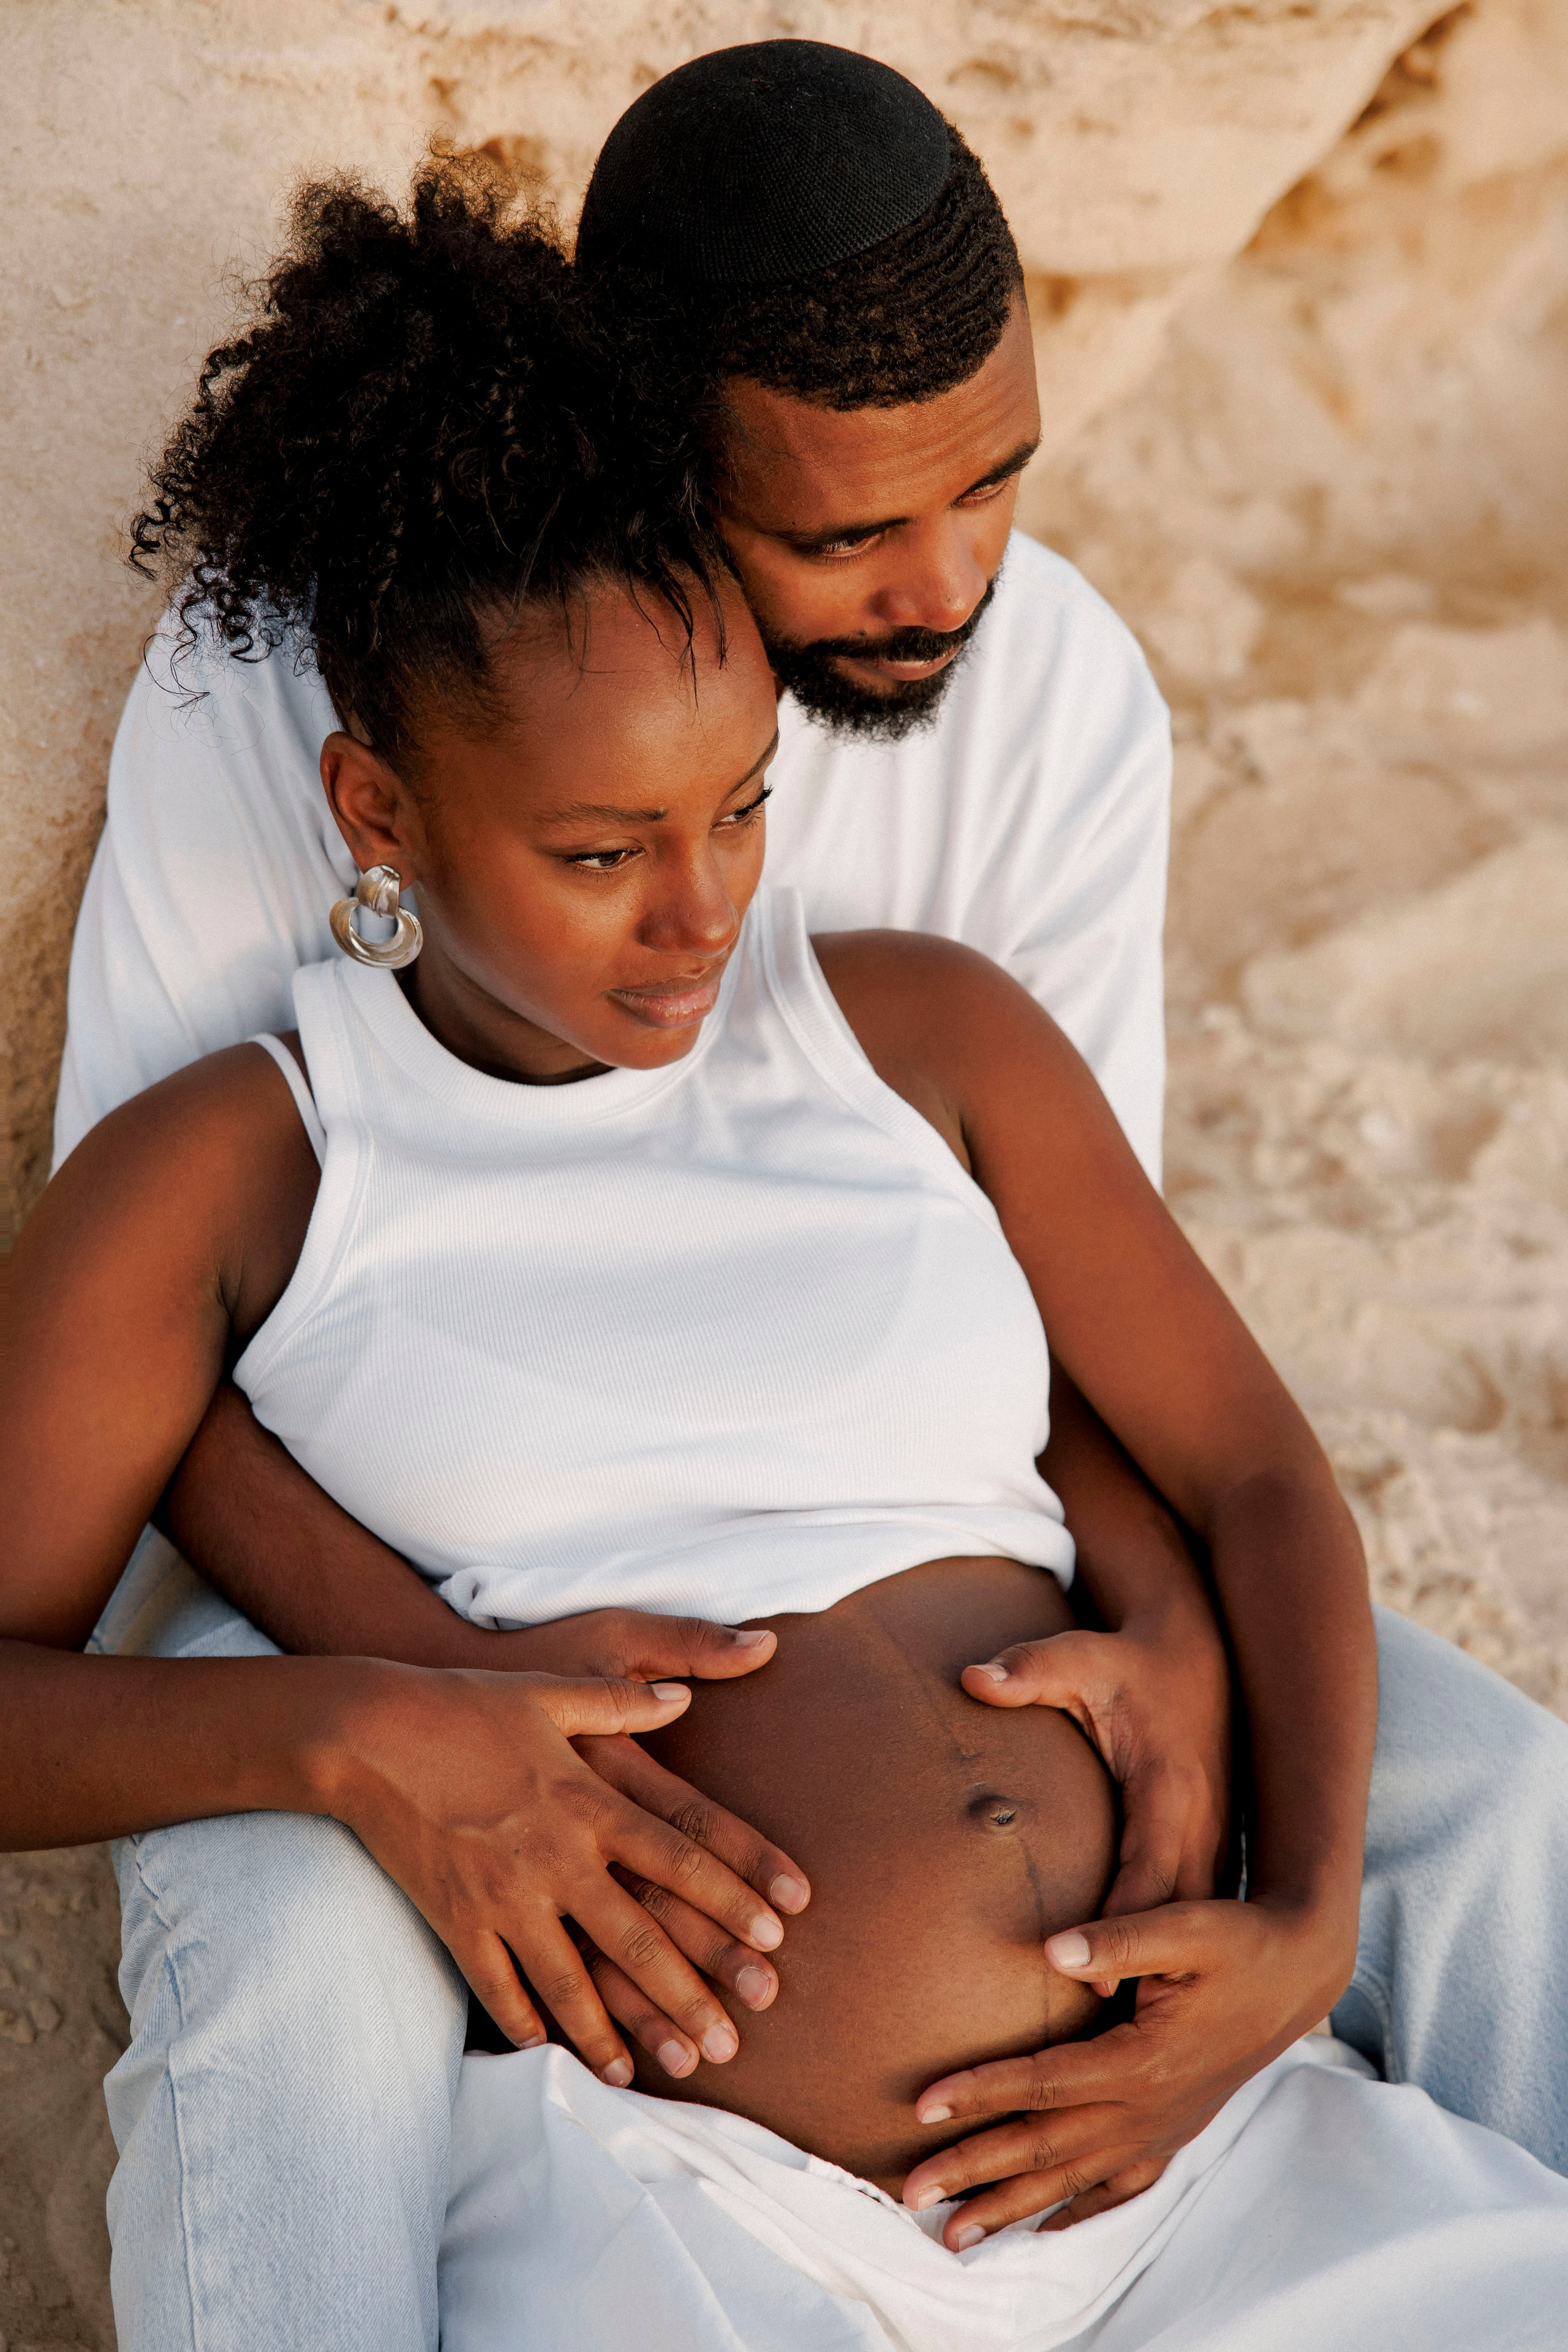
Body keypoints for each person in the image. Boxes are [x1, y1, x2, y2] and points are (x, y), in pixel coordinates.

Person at [40, 40, 1568, 2351]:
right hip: (648, 2081)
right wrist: (402, 1688)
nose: (943, 585)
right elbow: (175, 1393)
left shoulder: (998, 815)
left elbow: (1101, 1365)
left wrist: (1175, 1653)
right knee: (285, 1936)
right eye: (847, 534)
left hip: (1142, 2061)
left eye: (997, 489)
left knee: (1496, 1809)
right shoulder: (275, 750)